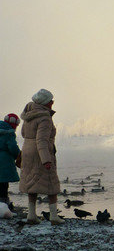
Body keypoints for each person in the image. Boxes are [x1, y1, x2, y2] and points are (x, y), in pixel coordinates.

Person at [19, 89, 63, 225]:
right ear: (45, 103)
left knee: (31, 183)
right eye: (51, 100)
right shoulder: (44, 117)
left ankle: (31, 215)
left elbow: (23, 134)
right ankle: (54, 216)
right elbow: (42, 140)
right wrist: (46, 160)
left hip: (27, 151)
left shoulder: (28, 115)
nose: (53, 102)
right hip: (40, 154)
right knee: (51, 184)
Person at [0, 113, 21, 210]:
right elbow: (12, 147)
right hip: (4, 161)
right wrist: (18, 155)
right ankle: (4, 205)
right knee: (3, 184)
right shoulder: (9, 133)